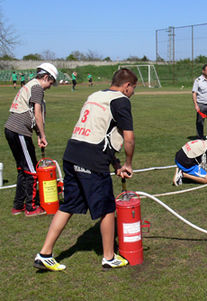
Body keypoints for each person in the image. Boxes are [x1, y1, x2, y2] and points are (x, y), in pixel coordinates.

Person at [34, 68, 137, 271]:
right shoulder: (121, 100)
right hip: (91, 159)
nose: (133, 92)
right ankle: (109, 257)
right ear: (127, 86)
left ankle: (44, 253)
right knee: (107, 208)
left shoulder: (95, 95)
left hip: (71, 153)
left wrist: (115, 164)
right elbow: (129, 138)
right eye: (133, 88)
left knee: (69, 205)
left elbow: (98, 131)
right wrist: (128, 163)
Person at [5, 63, 58, 217]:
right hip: (19, 131)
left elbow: (29, 113)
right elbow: (37, 113)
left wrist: (37, 134)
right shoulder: (37, 88)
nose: (49, 86)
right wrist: (42, 135)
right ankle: (31, 207)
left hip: (11, 130)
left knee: (23, 168)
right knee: (32, 170)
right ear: (46, 77)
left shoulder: (29, 85)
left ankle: (18, 205)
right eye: (51, 82)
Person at [192, 64, 207, 139]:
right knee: (200, 123)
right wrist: (196, 105)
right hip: (201, 105)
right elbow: (194, 93)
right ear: (203, 71)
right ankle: (200, 138)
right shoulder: (198, 81)